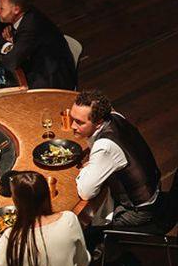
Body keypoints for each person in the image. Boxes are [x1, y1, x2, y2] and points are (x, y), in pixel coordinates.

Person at [67, 90, 168, 233]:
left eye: (79, 122)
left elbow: (86, 192)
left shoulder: (105, 146)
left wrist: (85, 169)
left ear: (99, 122)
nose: (72, 126)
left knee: (84, 227)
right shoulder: (114, 116)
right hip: (154, 189)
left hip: (138, 211)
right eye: (72, 119)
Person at [0, 0, 77, 90]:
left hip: (51, 79)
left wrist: (10, 48)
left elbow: (11, 62)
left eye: (1, 8)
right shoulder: (23, 14)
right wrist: (9, 46)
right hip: (37, 67)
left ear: (16, 9)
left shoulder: (30, 25)